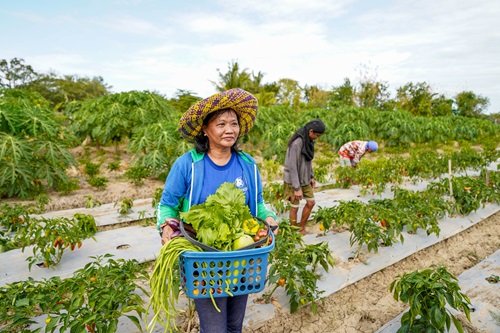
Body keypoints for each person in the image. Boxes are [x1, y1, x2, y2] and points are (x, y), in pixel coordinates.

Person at [156, 88, 279, 333]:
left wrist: (269, 217)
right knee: (214, 328)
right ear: (205, 129)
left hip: (242, 254)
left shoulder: (247, 164)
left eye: (234, 123)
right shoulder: (188, 164)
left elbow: (259, 203)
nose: (229, 129)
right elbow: (167, 205)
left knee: (234, 325)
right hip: (204, 258)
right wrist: (166, 227)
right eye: (220, 123)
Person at [283, 119, 326, 235]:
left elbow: (308, 160)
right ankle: (293, 231)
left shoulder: (308, 141)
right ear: (310, 131)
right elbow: (292, 167)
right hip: (293, 181)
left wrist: (311, 177)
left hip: (304, 179)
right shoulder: (297, 143)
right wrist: (296, 188)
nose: (317, 137)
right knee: (294, 206)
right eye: (316, 135)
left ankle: (301, 227)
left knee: (311, 202)